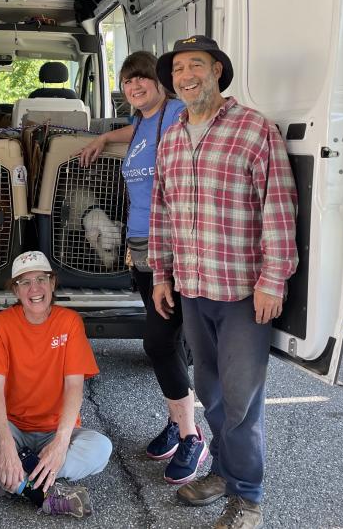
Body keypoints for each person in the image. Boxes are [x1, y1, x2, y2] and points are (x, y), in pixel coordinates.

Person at [149, 36, 298, 529]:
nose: (185, 75)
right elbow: (162, 211)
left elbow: (278, 209)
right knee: (209, 392)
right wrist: (162, 273)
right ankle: (224, 475)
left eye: (196, 65)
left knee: (242, 398)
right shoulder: (171, 135)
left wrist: (273, 281)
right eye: (177, 69)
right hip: (192, 288)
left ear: (217, 71)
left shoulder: (254, 130)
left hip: (241, 291)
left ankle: (248, 499)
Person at [79, 51, 206, 485]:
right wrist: (101, 140)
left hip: (168, 244)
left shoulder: (175, 113)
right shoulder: (140, 125)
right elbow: (134, 128)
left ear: (161, 83)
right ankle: (177, 420)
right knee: (167, 338)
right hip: (139, 247)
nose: (135, 88)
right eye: (128, 82)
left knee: (158, 341)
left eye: (143, 80)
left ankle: (191, 434)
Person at [0, 251, 112, 518]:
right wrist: (5, 445)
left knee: (101, 449)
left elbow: (74, 387)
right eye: (25, 282)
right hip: (13, 428)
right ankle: (41, 493)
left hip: (55, 431)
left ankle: (0, 483)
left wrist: (60, 443)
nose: (34, 288)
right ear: (15, 289)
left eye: (41, 279)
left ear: (52, 283)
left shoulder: (70, 322)